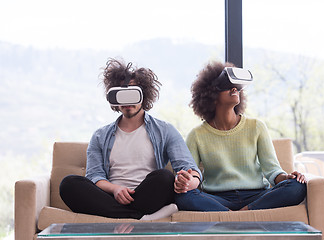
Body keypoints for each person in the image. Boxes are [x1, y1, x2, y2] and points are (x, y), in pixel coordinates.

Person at [59, 58, 202, 220]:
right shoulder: (100, 136)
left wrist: (192, 180)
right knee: (68, 184)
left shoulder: (165, 130)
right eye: (122, 94)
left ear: (144, 95)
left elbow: (188, 167)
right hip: (110, 197)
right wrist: (115, 189)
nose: (128, 101)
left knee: (165, 177)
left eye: (133, 93)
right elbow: (94, 176)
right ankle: (139, 218)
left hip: (147, 196)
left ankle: (121, 215)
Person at [174, 61, 307, 212]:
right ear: (210, 94)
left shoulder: (256, 126)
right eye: (226, 86)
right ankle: (235, 214)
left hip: (257, 195)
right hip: (217, 198)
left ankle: (238, 214)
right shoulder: (196, 135)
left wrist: (287, 178)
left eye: (236, 87)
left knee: (297, 187)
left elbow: (272, 170)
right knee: (182, 196)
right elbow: (193, 173)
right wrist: (186, 181)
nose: (234, 89)